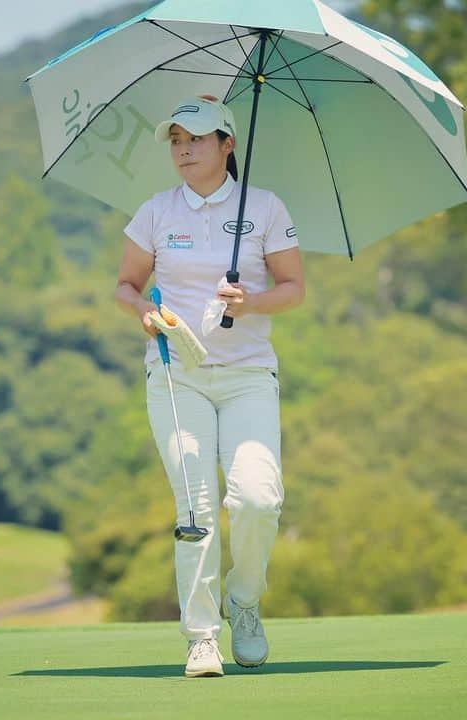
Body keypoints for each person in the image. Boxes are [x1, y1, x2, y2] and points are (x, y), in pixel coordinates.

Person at [114, 95, 305, 678]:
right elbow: (125, 284)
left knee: (257, 500)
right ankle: (201, 635)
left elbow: (293, 287)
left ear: (227, 144)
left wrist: (251, 302)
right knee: (194, 505)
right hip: (177, 375)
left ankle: (243, 600)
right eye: (175, 140)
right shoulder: (154, 212)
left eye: (196, 138)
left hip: (248, 374)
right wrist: (143, 310)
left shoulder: (265, 208)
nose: (184, 149)